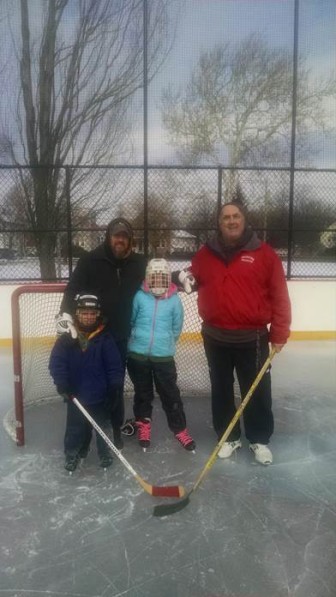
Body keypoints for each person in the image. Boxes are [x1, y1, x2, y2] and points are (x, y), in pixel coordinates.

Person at [178, 201, 291, 465]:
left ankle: (259, 438)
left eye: (235, 216)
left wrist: (280, 332)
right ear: (219, 222)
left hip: (252, 338)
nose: (231, 220)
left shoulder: (264, 254)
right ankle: (228, 437)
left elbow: (279, 296)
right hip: (215, 337)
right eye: (225, 217)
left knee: (257, 389)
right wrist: (178, 277)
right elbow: (191, 279)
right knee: (221, 389)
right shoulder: (205, 254)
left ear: (244, 219)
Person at [56, 218, 147, 445]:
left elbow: (157, 280)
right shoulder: (90, 260)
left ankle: (113, 433)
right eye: (116, 235)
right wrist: (65, 314)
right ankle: (82, 436)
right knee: (89, 385)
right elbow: (72, 289)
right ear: (108, 236)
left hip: (123, 338)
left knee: (115, 387)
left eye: (124, 236)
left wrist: (177, 278)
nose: (119, 240)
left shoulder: (138, 262)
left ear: (130, 240)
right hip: (94, 337)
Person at [49, 293, 124, 473]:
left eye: (93, 313)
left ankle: (106, 453)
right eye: (84, 312)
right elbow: (57, 363)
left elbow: (115, 366)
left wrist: (114, 388)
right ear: (76, 313)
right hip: (76, 395)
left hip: (100, 396)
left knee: (102, 427)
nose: (89, 316)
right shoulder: (67, 339)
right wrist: (62, 384)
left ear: (98, 314)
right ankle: (73, 453)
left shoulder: (105, 339)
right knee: (75, 428)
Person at [127, 258, 196, 452]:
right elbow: (131, 320)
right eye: (154, 278)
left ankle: (180, 429)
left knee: (170, 394)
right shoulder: (140, 296)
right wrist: (136, 341)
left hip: (163, 357)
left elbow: (177, 326)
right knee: (142, 394)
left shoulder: (174, 300)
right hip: (138, 355)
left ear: (168, 279)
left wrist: (164, 344)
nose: (157, 281)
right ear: (148, 278)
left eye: (162, 278)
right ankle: (143, 426)